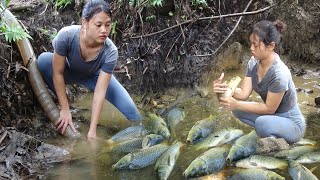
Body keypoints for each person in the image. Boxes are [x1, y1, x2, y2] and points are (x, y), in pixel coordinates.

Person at [37, 0, 142, 139]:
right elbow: (58, 73)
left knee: (135, 116)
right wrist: (65, 109)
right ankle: (60, 99)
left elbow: (100, 92)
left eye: (108, 25)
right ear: (85, 23)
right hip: (69, 71)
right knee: (43, 60)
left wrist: (92, 130)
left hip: (95, 76)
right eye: (98, 25)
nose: (104, 30)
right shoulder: (66, 36)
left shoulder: (110, 51)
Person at [213, 20, 305, 144]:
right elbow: (243, 94)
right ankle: (269, 130)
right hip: (273, 117)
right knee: (237, 109)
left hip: (292, 123)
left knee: (261, 122)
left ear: (271, 46)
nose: (251, 48)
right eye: (251, 43)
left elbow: (269, 109)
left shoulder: (279, 74)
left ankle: (277, 143)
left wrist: (237, 104)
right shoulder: (254, 62)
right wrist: (224, 90)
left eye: (255, 45)